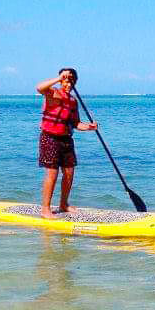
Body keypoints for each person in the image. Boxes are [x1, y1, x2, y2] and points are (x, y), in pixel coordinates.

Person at [36, 68, 97, 219]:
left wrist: (89, 127)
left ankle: (64, 204)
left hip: (66, 139)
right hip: (50, 138)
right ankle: (45, 209)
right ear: (61, 80)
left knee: (69, 173)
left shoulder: (73, 101)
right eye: (65, 80)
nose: (68, 83)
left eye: (71, 80)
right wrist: (58, 78)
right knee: (52, 173)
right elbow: (39, 87)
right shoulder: (52, 93)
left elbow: (76, 123)